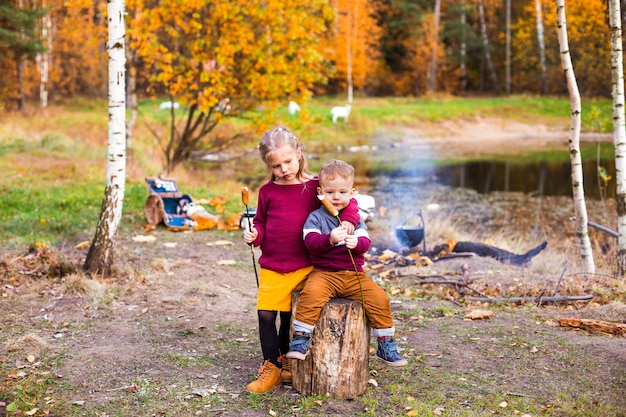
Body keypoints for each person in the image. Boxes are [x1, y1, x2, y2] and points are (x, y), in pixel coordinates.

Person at [243, 127, 360, 393]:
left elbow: (345, 201)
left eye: (288, 161)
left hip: (306, 264)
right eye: (276, 166)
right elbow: (260, 222)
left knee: (288, 315)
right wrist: (254, 234)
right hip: (273, 264)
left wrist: (351, 221)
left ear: (299, 153)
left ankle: (286, 362)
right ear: (268, 166)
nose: (284, 169)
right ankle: (270, 366)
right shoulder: (267, 192)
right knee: (265, 314)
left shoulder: (314, 188)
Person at [286, 159, 408, 367]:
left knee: (379, 298)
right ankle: (300, 339)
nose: (336, 197)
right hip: (325, 273)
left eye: (342, 192)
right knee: (311, 295)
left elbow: (366, 242)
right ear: (321, 192)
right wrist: (330, 239)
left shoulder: (355, 220)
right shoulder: (316, 218)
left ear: (352, 193)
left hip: (353, 275)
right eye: (331, 192)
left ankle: (385, 344)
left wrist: (357, 243)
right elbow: (310, 242)